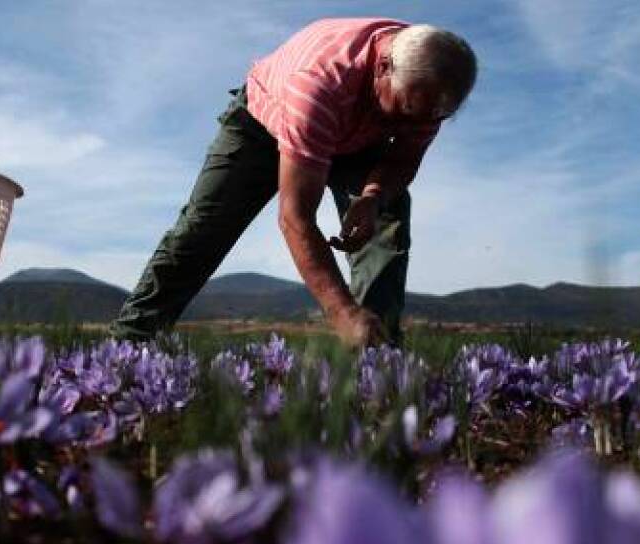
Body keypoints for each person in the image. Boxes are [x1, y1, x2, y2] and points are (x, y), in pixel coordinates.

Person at [109, 18, 477, 346]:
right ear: (382, 66)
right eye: (406, 112)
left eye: (433, 117)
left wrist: (373, 196)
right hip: (264, 125)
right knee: (204, 230)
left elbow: (403, 159)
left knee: (385, 223)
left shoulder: (426, 91)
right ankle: (129, 348)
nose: (414, 127)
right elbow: (295, 217)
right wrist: (340, 310)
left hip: (358, 135)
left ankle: (376, 363)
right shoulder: (320, 82)